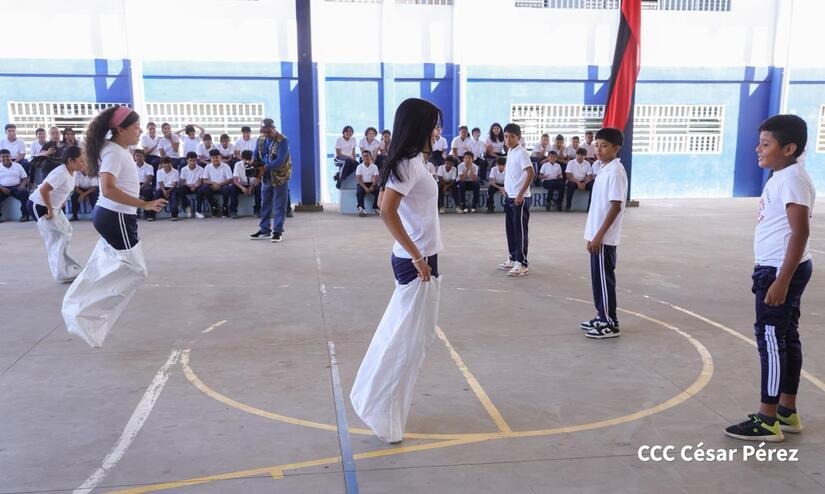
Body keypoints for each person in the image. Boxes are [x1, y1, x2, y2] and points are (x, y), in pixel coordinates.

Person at [350, 97, 443, 445]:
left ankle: (383, 410)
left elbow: (387, 205)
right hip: (415, 261)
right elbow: (385, 210)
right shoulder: (407, 164)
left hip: (421, 258)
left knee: (410, 342)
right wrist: (417, 256)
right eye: (434, 124)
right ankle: (381, 413)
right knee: (404, 346)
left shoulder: (416, 162)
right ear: (419, 126)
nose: (437, 131)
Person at [724, 115, 815, 443]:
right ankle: (787, 412)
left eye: (766, 144)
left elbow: (800, 232)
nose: (757, 149)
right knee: (786, 337)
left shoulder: (792, 179)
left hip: (779, 270)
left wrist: (781, 280)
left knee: (772, 341)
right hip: (780, 267)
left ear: (789, 148)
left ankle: (767, 419)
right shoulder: (785, 175)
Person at [62, 106, 167, 348]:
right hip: (115, 216)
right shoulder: (114, 153)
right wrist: (145, 204)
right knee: (136, 270)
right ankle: (81, 311)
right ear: (120, 129)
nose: (140, 131)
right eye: (136, 127)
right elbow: (108, 188)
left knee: (117, 265)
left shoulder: (116, 149)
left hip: (115, 217)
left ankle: (85, 316)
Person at [579, 127, 628, 339]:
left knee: (604, 279)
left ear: (616, 148)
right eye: (597, 144)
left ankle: (610, 322)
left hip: (604, 238)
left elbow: (615, 206)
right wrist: (591, 234)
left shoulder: (615, 172)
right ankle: (601, 315)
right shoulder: (602, 168)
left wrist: (599, 236)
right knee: (597, 279)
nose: (598, 149)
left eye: (604, 145)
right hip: (596, 235)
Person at [27, 146, 85, 281]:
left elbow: (64, 189)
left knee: (66, 231)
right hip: (40, 206)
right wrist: (49, 209)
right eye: (81, 161)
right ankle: (62, 274)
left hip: (53, 206)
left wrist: (61, 201)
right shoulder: (61, 173)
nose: (83, 164)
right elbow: (44, 190)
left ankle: (69, 268)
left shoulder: (73, 172)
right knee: (57, 238)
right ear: (70, 161)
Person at [497, 124, 533, 277]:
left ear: (518, 137)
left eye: (512, 136)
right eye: (506, 136)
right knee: (510, 229)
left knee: (520, 231)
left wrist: (520, 195)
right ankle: (513, 257)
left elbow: (531, 174)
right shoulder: (510, 152)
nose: (508, 139)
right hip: (510, 196)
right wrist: (506, 188)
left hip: (520, 198)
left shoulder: (522, 153)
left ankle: (522, 263)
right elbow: (513, 174)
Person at [249, 119, 291, 242]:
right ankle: (264, 229)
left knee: (279, 205)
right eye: (263, 131)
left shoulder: (283, 140)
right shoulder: (261, 139)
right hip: (266, 176)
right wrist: (254, 166)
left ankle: (277, 232)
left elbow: (280, 160)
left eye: (268, 131)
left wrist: (264, 168)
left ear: (274, 128)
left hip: (280, 176)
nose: (266, 134)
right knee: (265, 203)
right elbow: (255, 154)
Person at [200, 149, 234, 218]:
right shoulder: (208, 167)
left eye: (217, 157)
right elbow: (204, 180)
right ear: (210, 158)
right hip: (212, 186)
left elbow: (230, 179)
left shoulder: (226, 166)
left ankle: (225, 207)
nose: (215, 159)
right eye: (213, 158)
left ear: (220, 157)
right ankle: (213, 206)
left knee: (227, 189)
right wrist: (213, 183)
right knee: (204, 188)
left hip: (223, 186)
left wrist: (219, 184)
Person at [0, 148, 30, 222]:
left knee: (24, 193)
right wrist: (1, 188)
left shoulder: (18, 166)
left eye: (7, 156)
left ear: (10, 156)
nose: (5, 158)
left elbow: (25, 178)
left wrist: (22, 185)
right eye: (3, 157)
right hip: (2, 188)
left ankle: (25, 215)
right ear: (0, 158)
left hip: (16, 187)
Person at [233, 149, 261, 217]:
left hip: (253, 184)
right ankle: (233, 211)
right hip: (242, 184)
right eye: (246, 159)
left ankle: (257, 210)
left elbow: (258, 179)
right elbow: (235, 180)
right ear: (242, 159)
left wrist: (251, 187)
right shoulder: (238, 165)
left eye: (250, 159)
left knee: (259, 188)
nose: (248, 161)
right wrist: (242, 188)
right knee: (232, 188)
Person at [177, 152, 205, 218]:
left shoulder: (201, 169)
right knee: (180, 190)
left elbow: (200, 181)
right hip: (187, 186)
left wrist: (195, 186)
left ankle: (198, 211)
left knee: (201, 190)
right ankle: (187, 208)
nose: (192, 162)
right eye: (190, 160)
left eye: (194, 160)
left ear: (196, 160)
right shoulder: (183, 169)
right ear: (187, 160)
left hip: (197, 186)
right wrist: (189, 185)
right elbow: (182, 182)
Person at [154, 157, 180, 221]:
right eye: (164, 163)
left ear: (171, 163)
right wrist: (164, 191)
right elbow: (160, 183)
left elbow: (175, 184)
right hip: (162, 188)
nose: (166, 165)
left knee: (174, 197)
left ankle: (174, 215)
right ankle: (151, 215)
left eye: (168, 163)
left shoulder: (175, 171)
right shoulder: (159, 172)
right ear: (162, 164)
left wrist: (168, 191)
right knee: (157, 195)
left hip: (172, 188)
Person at [355, 150, 380, 216]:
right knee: (359, 192)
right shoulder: (359, 167)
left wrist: (372, 186)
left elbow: (376, 177)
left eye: (367, 156)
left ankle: (375, 208)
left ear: (370, 157)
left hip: (372, 183)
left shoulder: (374, 166)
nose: (366, 157)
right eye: (364, 156)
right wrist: (365, 187)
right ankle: (361, 209)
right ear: (362, 157)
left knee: (378, 191)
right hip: (362, 184)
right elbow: (358, 179)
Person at [134, 150, 156, 220]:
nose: (139, 157)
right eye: (137, 156)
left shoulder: (149, 167)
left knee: (148, 191)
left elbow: (148, 180)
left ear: (144, 157)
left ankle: (149, 214)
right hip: (134, 184)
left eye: (141, 156)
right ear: (134, 157)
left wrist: (140, 187)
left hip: (145, 184)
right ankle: (134, 213)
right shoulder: (131, 166)